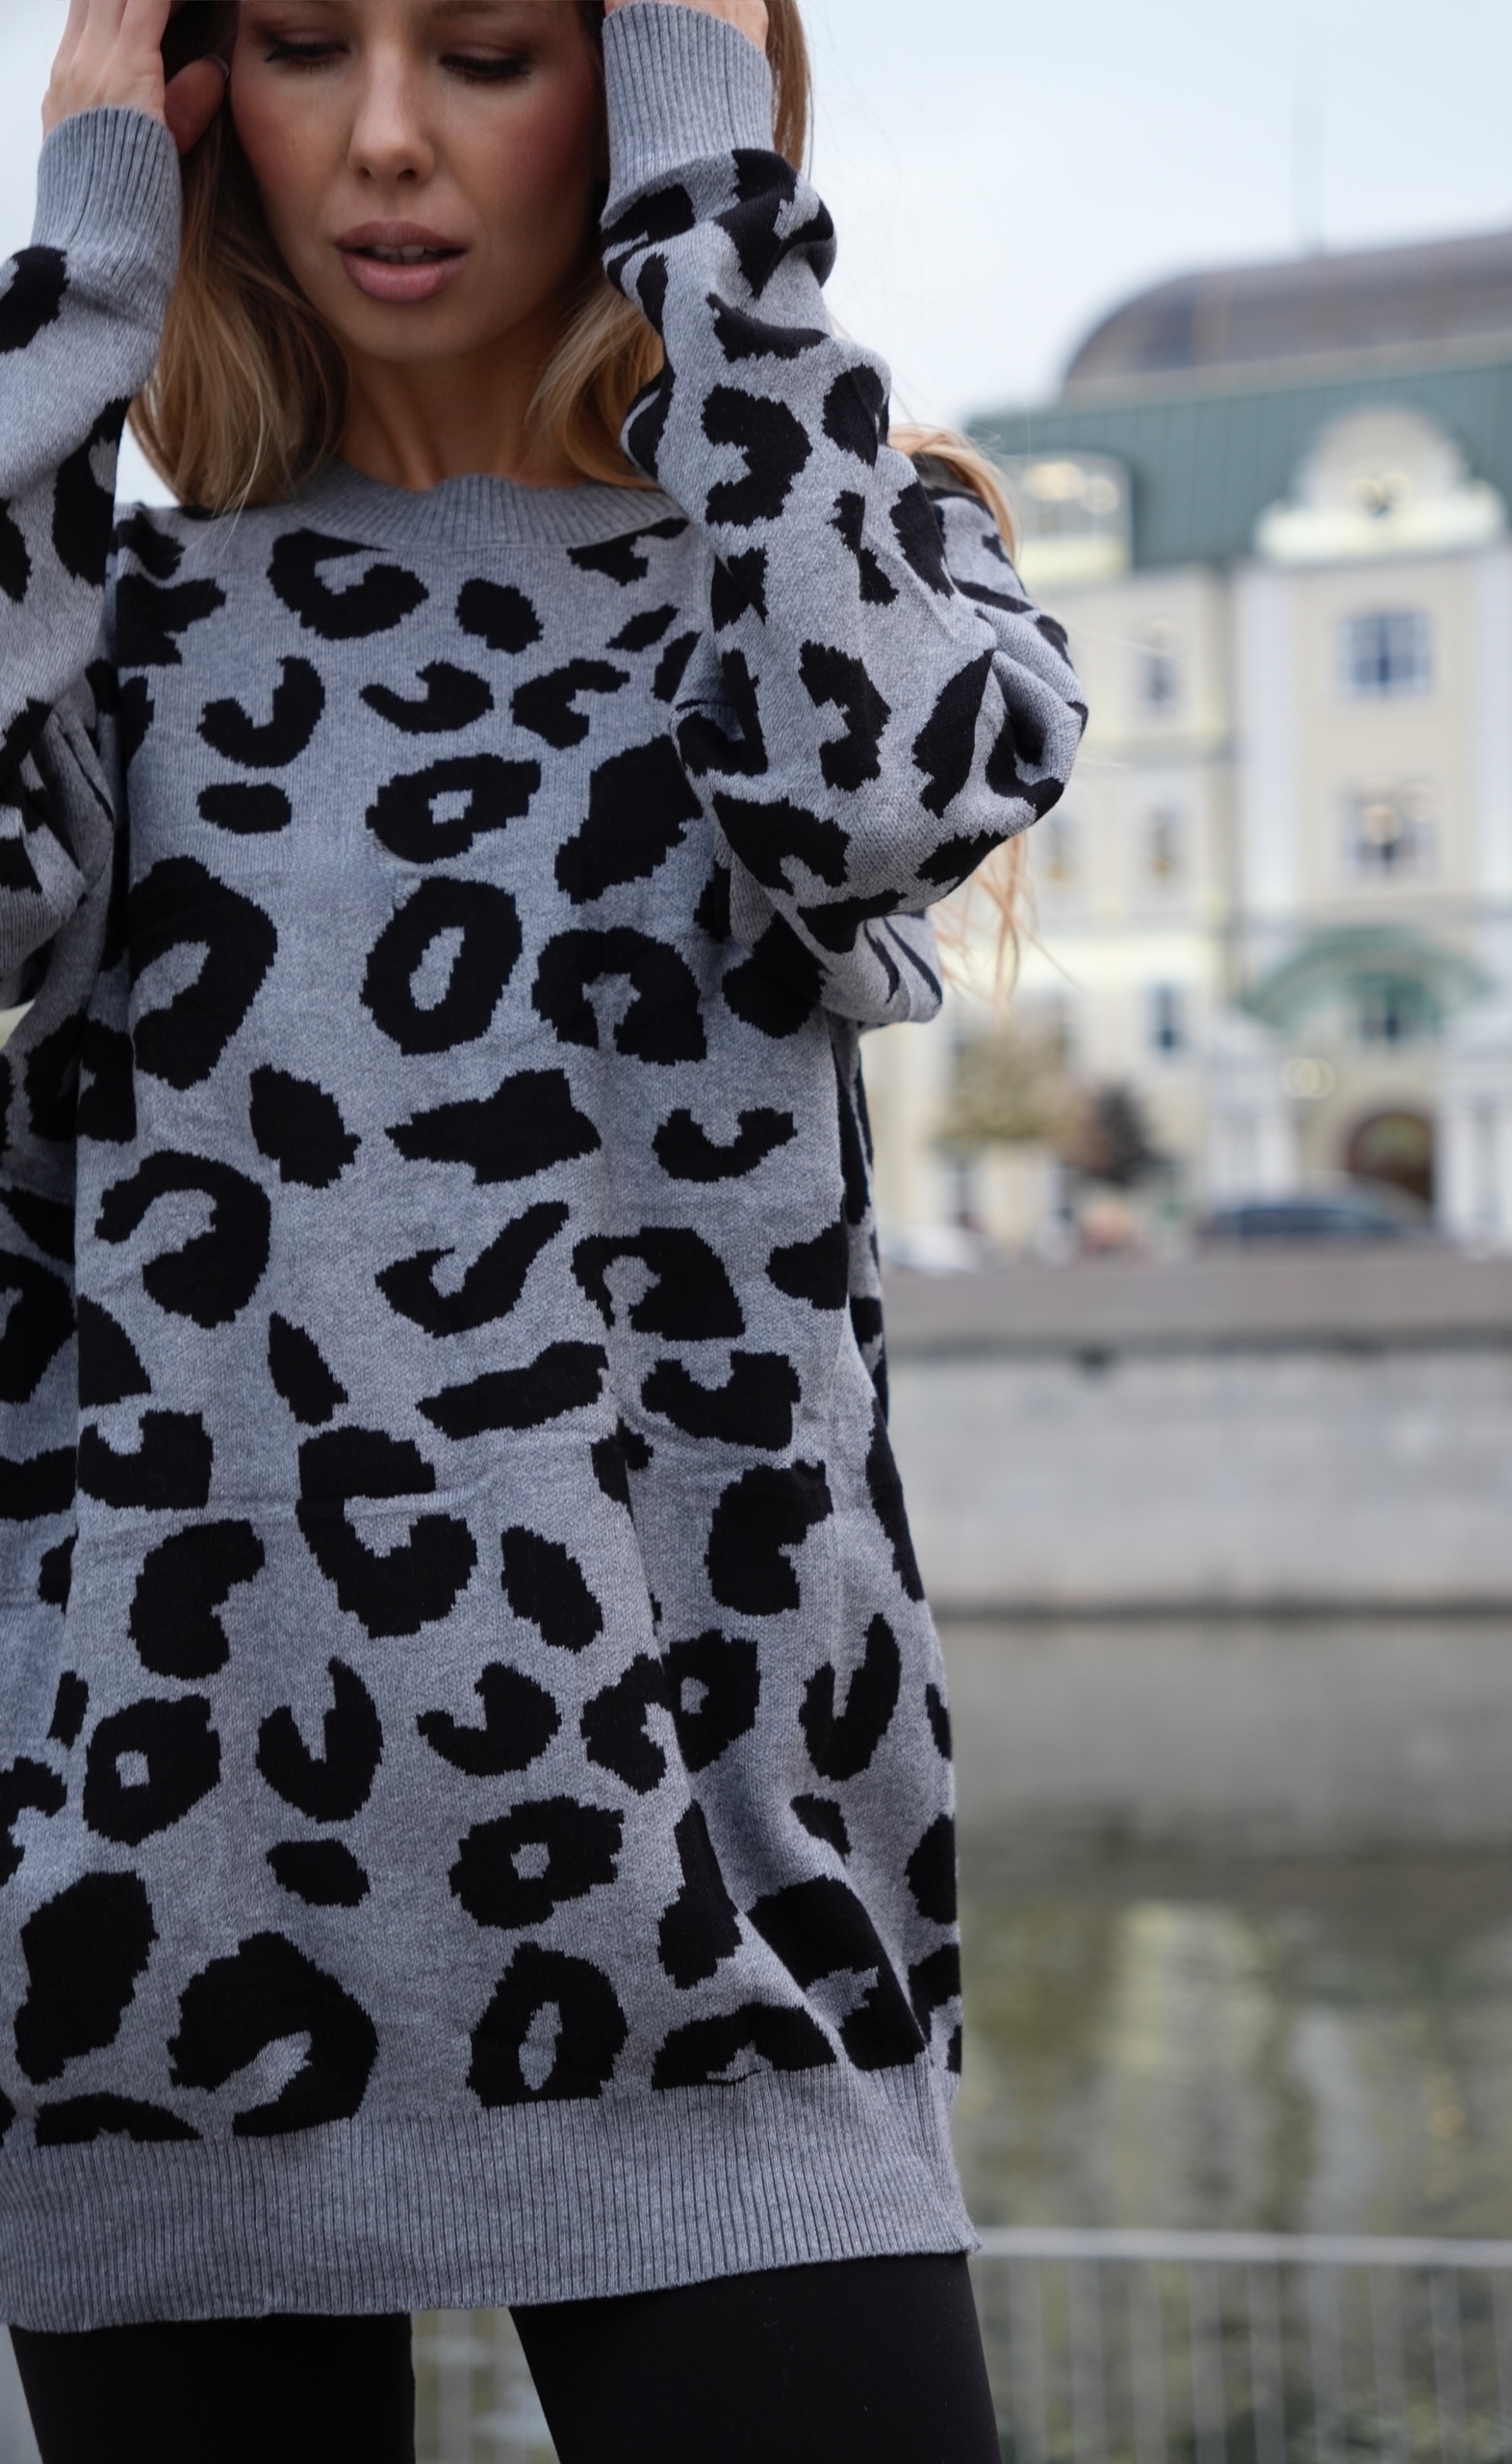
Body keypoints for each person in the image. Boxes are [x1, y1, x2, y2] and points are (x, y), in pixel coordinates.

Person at [0, 0, 1086, 2454]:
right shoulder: (110, 624)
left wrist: (708, 212)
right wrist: (80, 281)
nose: (386, 138)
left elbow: (874, 784)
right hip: (162, 1962)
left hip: (737, 1957)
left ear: (644, 77)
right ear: (192, 95)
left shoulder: (825, 565)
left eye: (491, 50)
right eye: (303, 46)